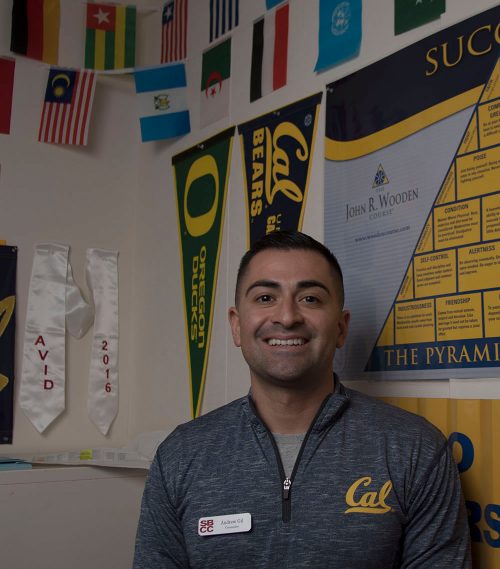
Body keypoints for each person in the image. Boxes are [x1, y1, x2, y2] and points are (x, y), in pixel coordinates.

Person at [134, 231, 471, 568]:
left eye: (310, 298)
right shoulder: (180, 456)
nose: (287, 317)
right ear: (237, 326)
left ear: (340, 328)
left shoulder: (415, 449)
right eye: (265, 298)